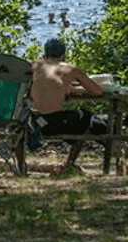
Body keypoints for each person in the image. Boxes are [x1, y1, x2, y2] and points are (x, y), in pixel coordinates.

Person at [31, 38, 107, 172]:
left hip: (33, 122)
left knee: (81, 118)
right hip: (55, 123)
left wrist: (68, 88)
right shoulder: (70, 69)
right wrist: (78, 89)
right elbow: (97, 91)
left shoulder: (34, 65)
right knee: (87, 117)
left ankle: (21, 167)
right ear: (63, 55)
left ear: (45, 54)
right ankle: (70, 163)